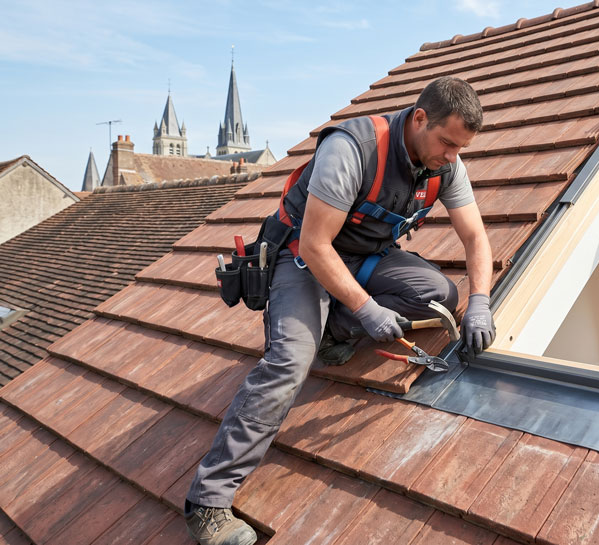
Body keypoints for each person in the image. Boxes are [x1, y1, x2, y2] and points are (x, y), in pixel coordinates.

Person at [184, 76, 495, 545]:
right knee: (290, 362)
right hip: (304, 259)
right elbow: (314, 243)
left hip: (364, 258)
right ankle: (207, 503)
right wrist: (368, 309)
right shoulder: (353, 149)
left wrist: (481, 302)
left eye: (460, 148)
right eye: (447, 143)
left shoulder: (446, 163)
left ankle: (332, 329)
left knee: (436, 294)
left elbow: (475, 238)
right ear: (419, 118)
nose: (452, 156)